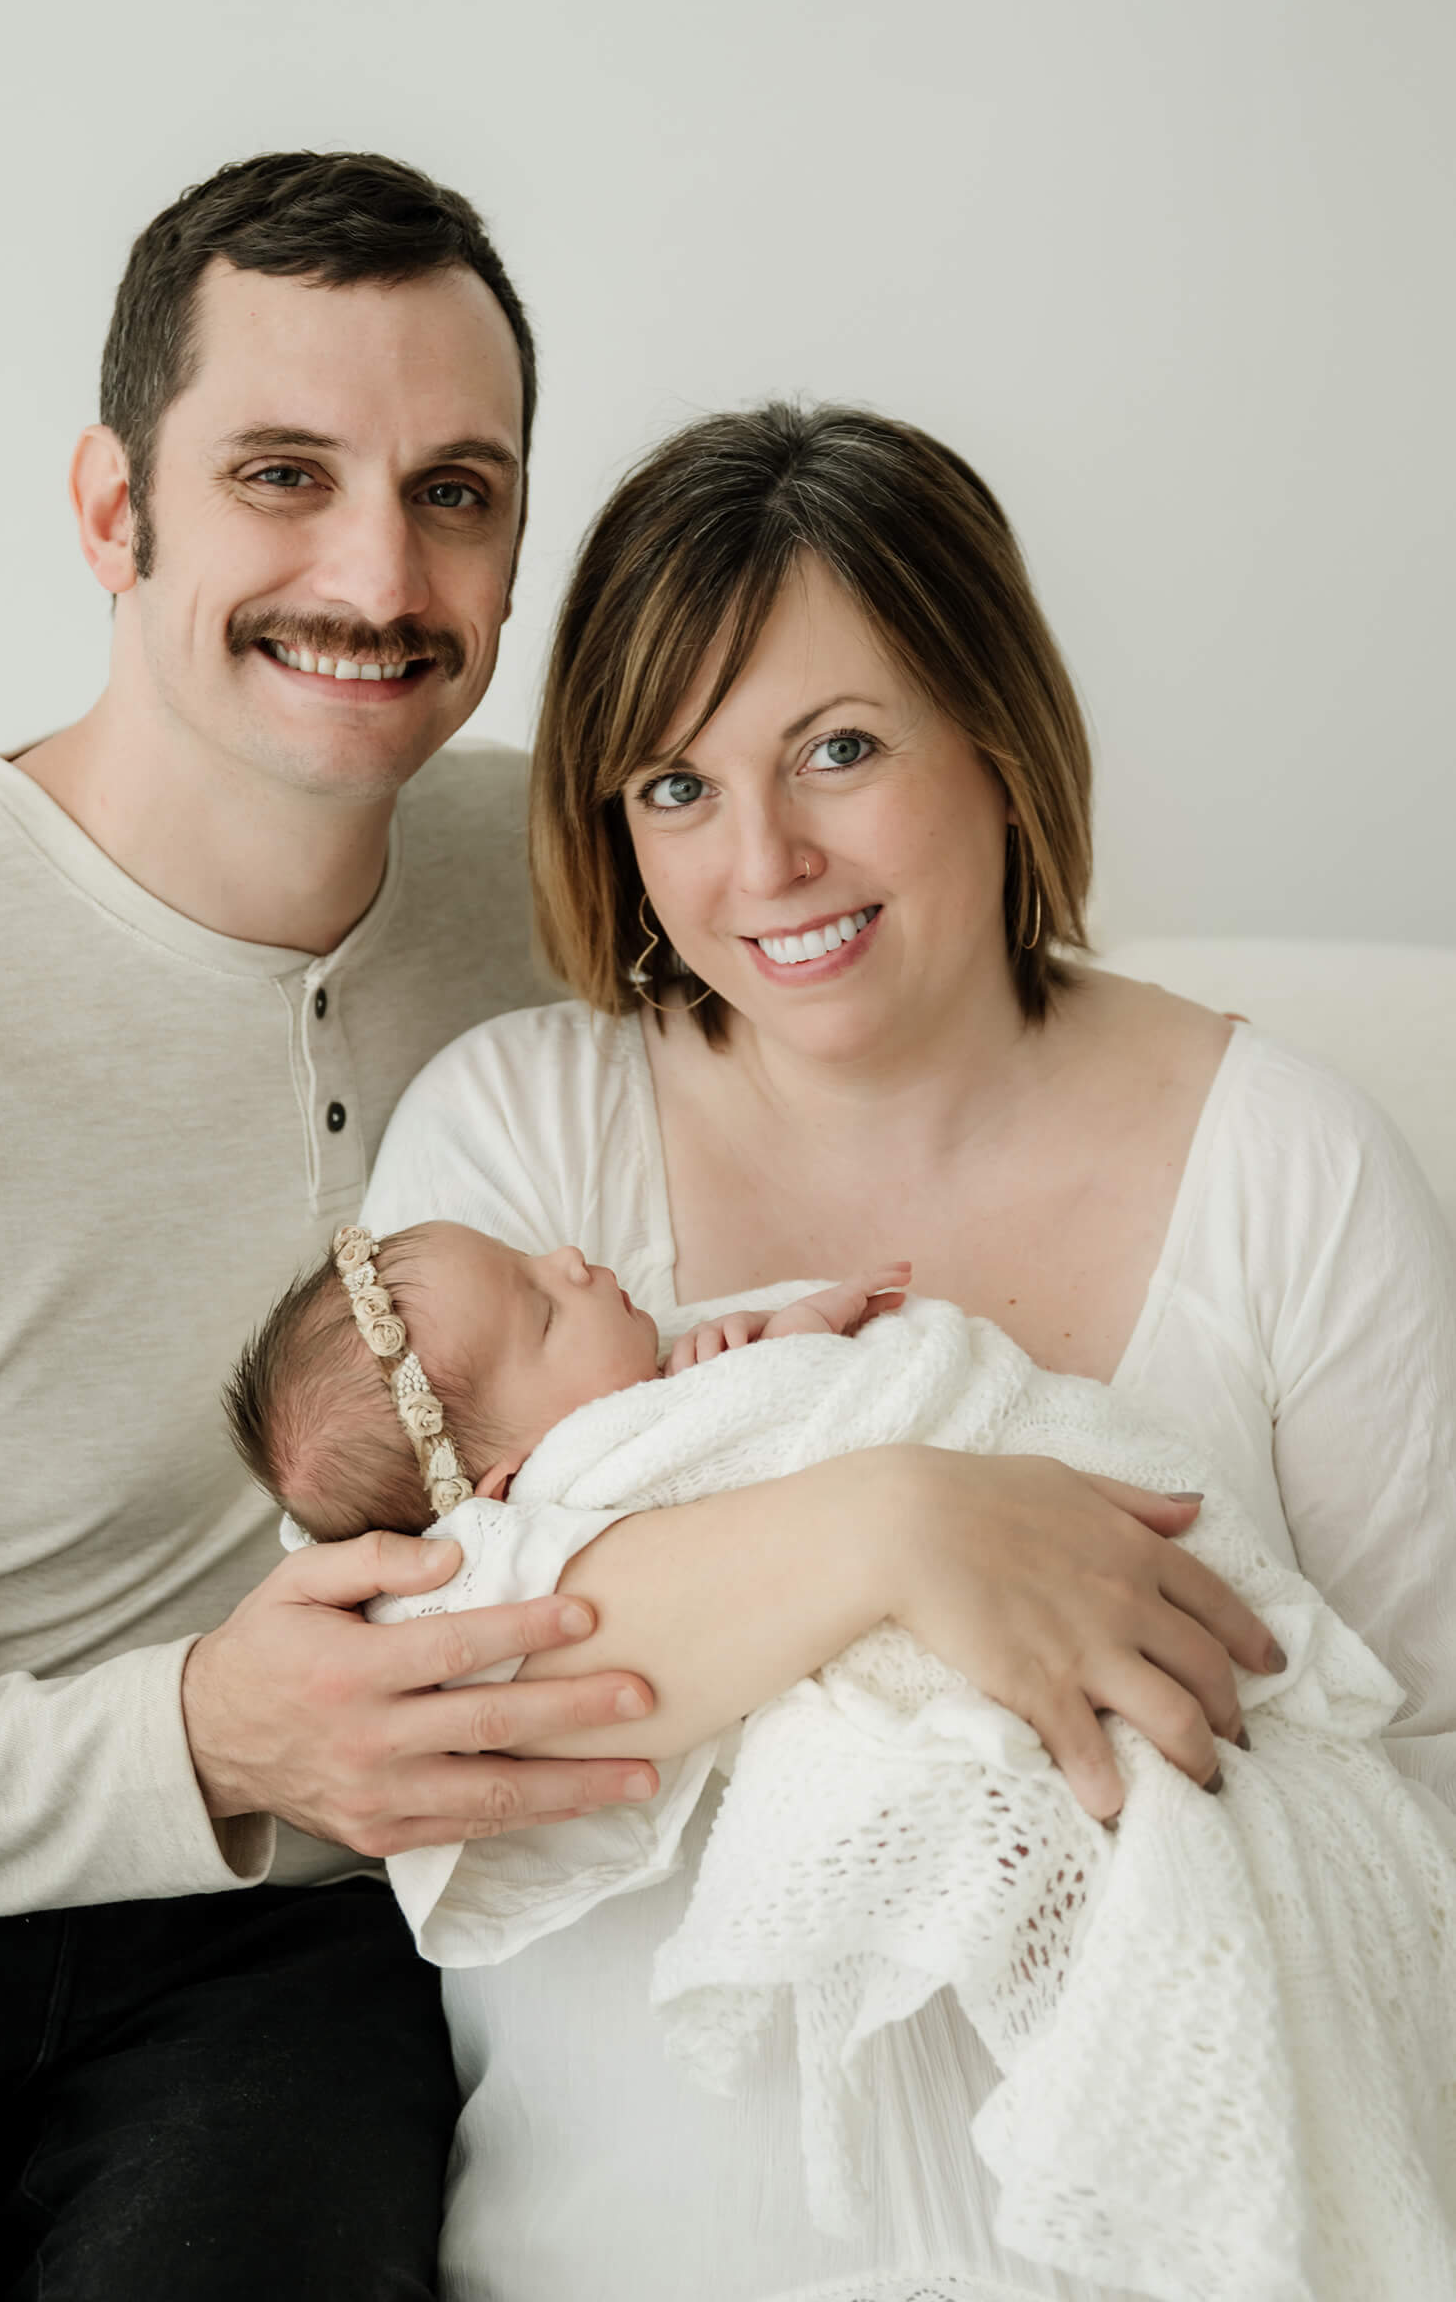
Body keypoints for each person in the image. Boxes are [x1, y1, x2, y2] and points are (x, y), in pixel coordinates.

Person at [359, 402, 1456, 2300]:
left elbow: (1421, 1770)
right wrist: (892, 1528)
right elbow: (431, 1722)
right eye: (674, 788)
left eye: (838, 752)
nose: (761, 860)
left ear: (1000, 749)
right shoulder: (520, 1161)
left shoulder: (1284, 1162)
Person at [0, 149, 665, 2300]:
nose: (377, 566)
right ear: (109, 508)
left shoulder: (584, 881)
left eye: (456, 489)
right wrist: (198, 1733)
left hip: (298, 1952)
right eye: (280, 471)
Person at [222, 1214, 907, 1538]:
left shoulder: (639, 1394)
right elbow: (786, 1450)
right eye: (546, 1313)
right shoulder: (592, 1505)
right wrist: (791, 1345)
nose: (570, 1259)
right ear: (516, 1483)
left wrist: (715, 1363)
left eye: (526, 1257)